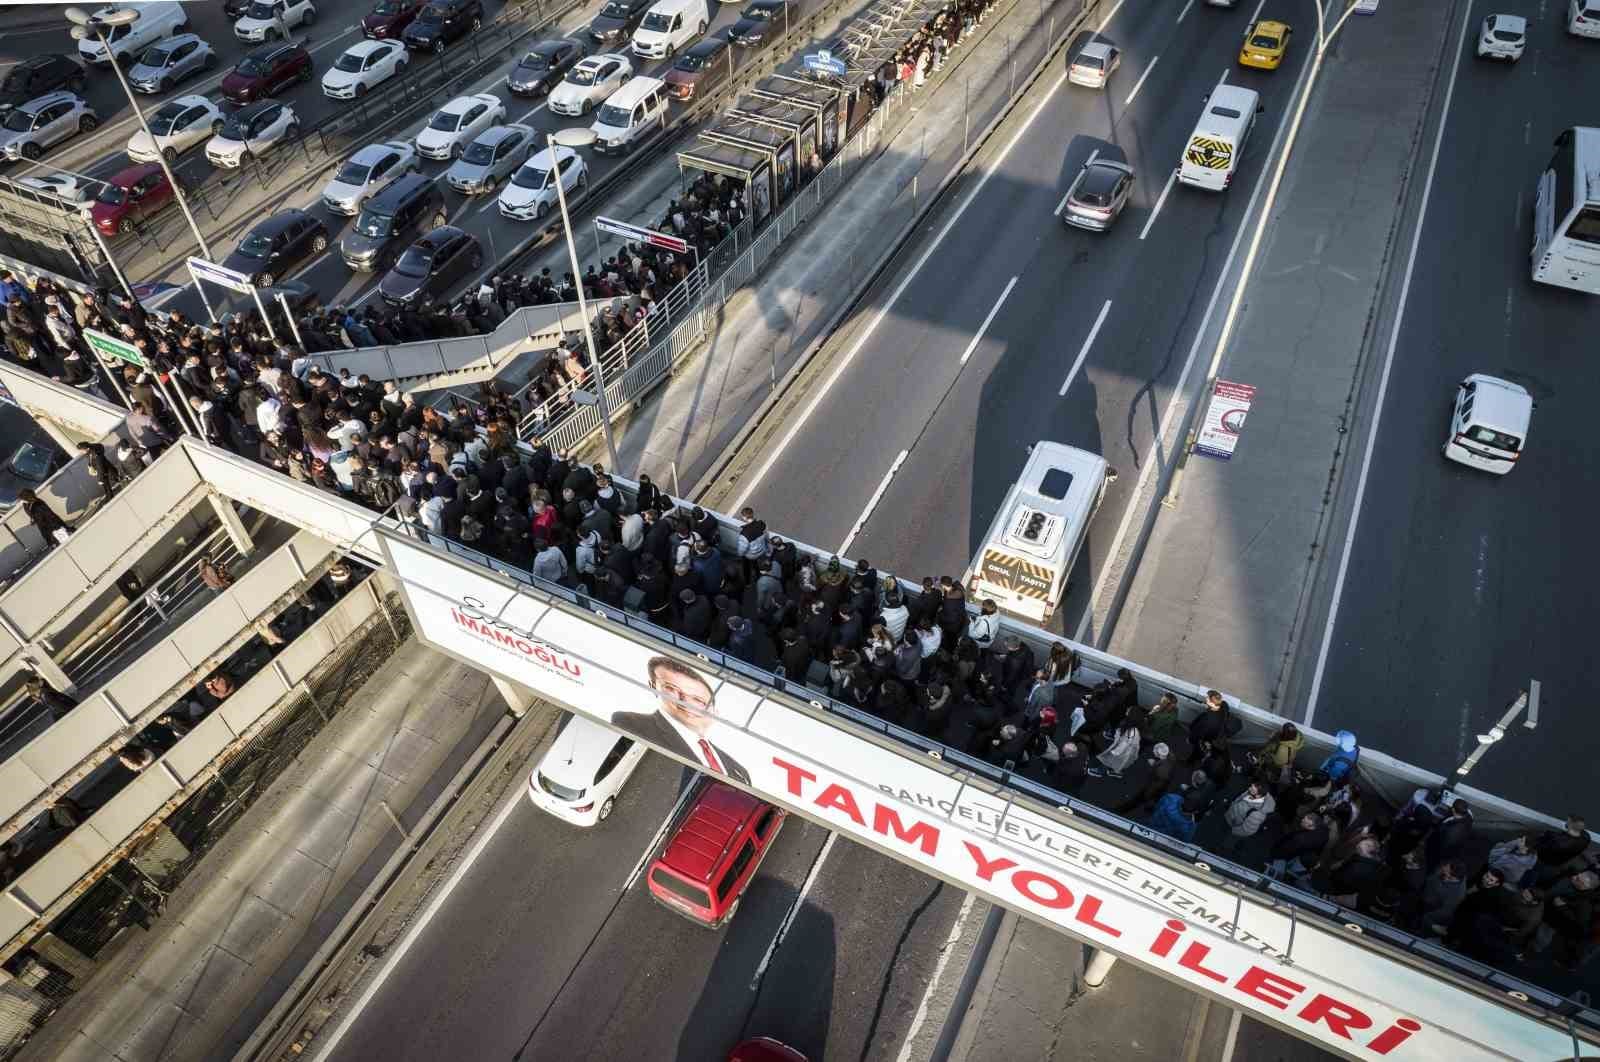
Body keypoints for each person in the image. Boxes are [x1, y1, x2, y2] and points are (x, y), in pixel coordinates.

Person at [609, 655, 749, 783]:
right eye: (672, 689)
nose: (685, 702)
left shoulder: (739, 771)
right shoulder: (632, 724)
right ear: (653, 687)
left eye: (698, 700)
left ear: (714, 712)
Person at [1220, 782, 1276, 855]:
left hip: (1235, 830)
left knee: (1228, 843)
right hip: (1231, 820)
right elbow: (1239, 799)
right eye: (1250, 786)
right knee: (1224, 835)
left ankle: (1223, 852)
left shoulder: (1257, 814)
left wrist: (1233, 830)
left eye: (1252, 789)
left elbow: (1246, 830)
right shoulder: (1250, 792)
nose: (1249, 789)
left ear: (1258, 795)